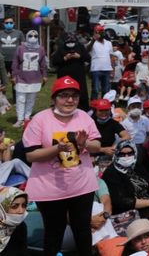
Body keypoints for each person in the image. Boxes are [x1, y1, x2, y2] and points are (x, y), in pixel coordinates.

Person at [23, 75, 102, 256]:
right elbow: (31, 155)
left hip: (81, 185)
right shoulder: (40, 119)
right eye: (64, 95)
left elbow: (97, 145)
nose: (70, 100)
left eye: (74, 95)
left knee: (82, 230)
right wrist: (57, 148)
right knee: (53, 233)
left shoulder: (84, 116)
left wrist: (84, 144)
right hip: (49, 188)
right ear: (53, 99)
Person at [102, 140, 149, 218]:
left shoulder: (137, 166)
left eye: (130, 153)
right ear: (116, 154)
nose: (126, 157)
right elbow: (121, 201)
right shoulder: (111, 173)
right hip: (129, 213)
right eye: (122, 154)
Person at [11, 29, 47, 127]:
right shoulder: (20, 48)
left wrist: (44, 75)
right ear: (27, 37)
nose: (33, 38)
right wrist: (14, 75)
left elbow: (43, 64)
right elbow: (15, 63)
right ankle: (20, 119)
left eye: (35, 36)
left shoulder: (41, 49)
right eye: (30, 36)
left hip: (35, 78)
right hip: (21, 78)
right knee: (20, 99)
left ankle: (27, 118)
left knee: (31, 99)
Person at [52, 33, 91, 111]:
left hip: (78, 75)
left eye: (72, 41)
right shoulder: (61, 48)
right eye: (68, 42)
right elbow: (54, 61)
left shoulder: (80, 47)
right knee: (64, 91)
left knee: (81, 92)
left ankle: (83, 109)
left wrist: (79, 56)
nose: (70, 43)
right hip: (64, 76)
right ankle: (62, 106)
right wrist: (65, 58)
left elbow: (88, 58)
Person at [0, 186, 28, 255]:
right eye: (14, 206)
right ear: (2, 207)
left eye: (24, 205)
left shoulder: (21, 226)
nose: (21, 211)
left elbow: (23, 252)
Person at [88, 25, 114, 99]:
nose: (100, 34)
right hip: (96, 69)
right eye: (97, 32)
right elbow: (87, 50)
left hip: (107, 69)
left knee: (106, 90)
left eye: (101, 32)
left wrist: (113, 69)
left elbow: (111, 56)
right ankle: (93, 107)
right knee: (95, 90)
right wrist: (93, 40)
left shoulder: (109, 43)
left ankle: (104, 107)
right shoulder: (92, 43)